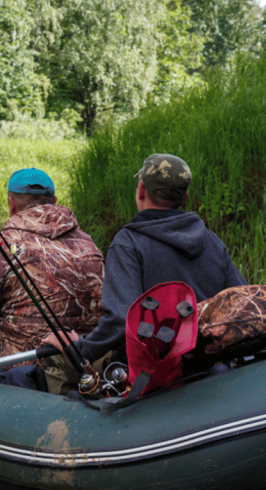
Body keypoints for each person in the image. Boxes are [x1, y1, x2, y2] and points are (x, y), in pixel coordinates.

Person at [42, 154, 247, 382]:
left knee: (53, 365)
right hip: (212, 363)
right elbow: (241, 300)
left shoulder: (128, 243)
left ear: (141, 191)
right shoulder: (212, 241)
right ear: (184, 198)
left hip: (157, 373)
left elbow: (121, 320)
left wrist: (80, 349)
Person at [0, 168, 104, 368]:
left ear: (11, 204)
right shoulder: (87, 242)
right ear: (55, 201)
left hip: (29, 359)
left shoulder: (1, 243)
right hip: (82, 354)